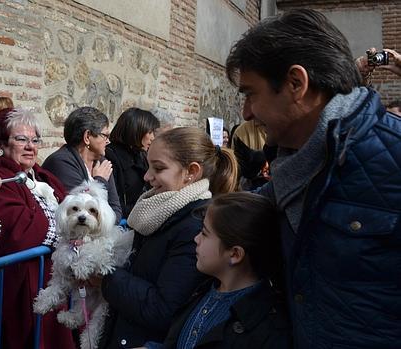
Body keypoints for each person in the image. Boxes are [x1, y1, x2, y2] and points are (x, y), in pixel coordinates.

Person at [226, 9, 401, 348]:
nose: (246, 113)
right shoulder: (293, 161)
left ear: (296, 84)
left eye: (250, 93)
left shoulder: (392, 157)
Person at [98, 127, 239, 348]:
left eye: (159, 168)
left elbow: (163, 309)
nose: (147, 176)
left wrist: (105, 277)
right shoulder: (159, 211)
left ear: (191, 172)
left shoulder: (195, 227)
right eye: (148, 166)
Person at [144, 192, 291, 349]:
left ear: (235, 254)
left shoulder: (266, 331)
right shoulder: (203, 289)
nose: (196, 238)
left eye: (205, 233)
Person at [0, 108, 76, 349]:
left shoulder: (43, 176)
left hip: (58, 281)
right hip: (27, 285)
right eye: (21, 139)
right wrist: (67, 228)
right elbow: (23, 231)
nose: (30, 147)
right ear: (0, 146)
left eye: (35, 140)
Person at [43, 106, 122, 220]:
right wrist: (100, 181)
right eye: (105, 136)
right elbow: (81, 210)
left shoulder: (101, 163)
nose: (108, 141)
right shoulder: (61, 162)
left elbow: (116, 211)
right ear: (87, 137)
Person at [105, 107, 159, 218]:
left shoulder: (141, 155)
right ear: (136, 130)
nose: (153, 138)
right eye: (149, 132)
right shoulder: (111, 156)